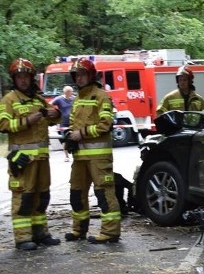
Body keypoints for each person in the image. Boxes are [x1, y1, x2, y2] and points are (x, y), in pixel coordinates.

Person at [0, 58, 62, 250]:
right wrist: (28, 120)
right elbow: (3, 125)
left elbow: (51, 120)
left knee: (42, 197)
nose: (23, 80)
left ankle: (40, 233)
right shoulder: (9, 100)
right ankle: (23, 237)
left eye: (26, 76)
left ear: (31, 78)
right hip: (23, 161)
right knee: (23, 198)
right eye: (19, 77)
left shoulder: (38, 99)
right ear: (14, 79)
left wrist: (55, 114)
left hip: (42, 160)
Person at [64, 57, 121, 244]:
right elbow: (73, 124)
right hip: (79, 157)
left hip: (99, 158)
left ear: (91, 75)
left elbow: (106, 125)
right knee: (76, 193)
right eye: (76, 75)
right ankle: (78, 229)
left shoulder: (101, 96)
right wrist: (70, 137)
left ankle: (110, 232)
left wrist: (82, 133)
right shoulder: (78, 98)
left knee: (104, 193)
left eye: (82, 74)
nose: (79, 78)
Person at [51, 85, 75, 161]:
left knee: (74, 138)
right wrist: (55, 113)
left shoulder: (74, 98)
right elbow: (49, 104)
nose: (71, 93)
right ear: (65, 92)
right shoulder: (59, 99)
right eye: (70, 92)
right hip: (63, 123)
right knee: (65, 139)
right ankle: (66, 156)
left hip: (73, 121)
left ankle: (75, 154)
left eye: (72, 91)